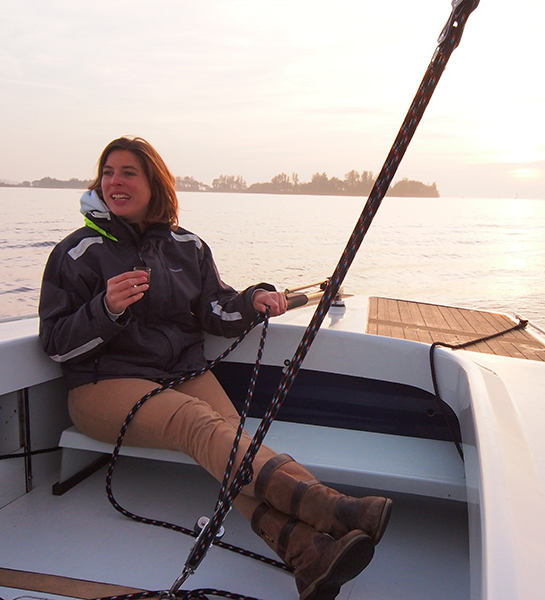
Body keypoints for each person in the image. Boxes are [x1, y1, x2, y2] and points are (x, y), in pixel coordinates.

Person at [38, 136, 391, 600]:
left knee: (232, 440)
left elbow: (216, 312)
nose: (114, 182)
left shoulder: (188, 247)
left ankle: (307, 553)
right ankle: (332, 508)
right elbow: (56, 344)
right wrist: (105, 309)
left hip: (179, 375)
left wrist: (253, 299)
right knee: (197, 424)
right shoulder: (77, 252)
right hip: (104, 384)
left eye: (128, 172)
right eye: (107, 172)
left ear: (154, 184)